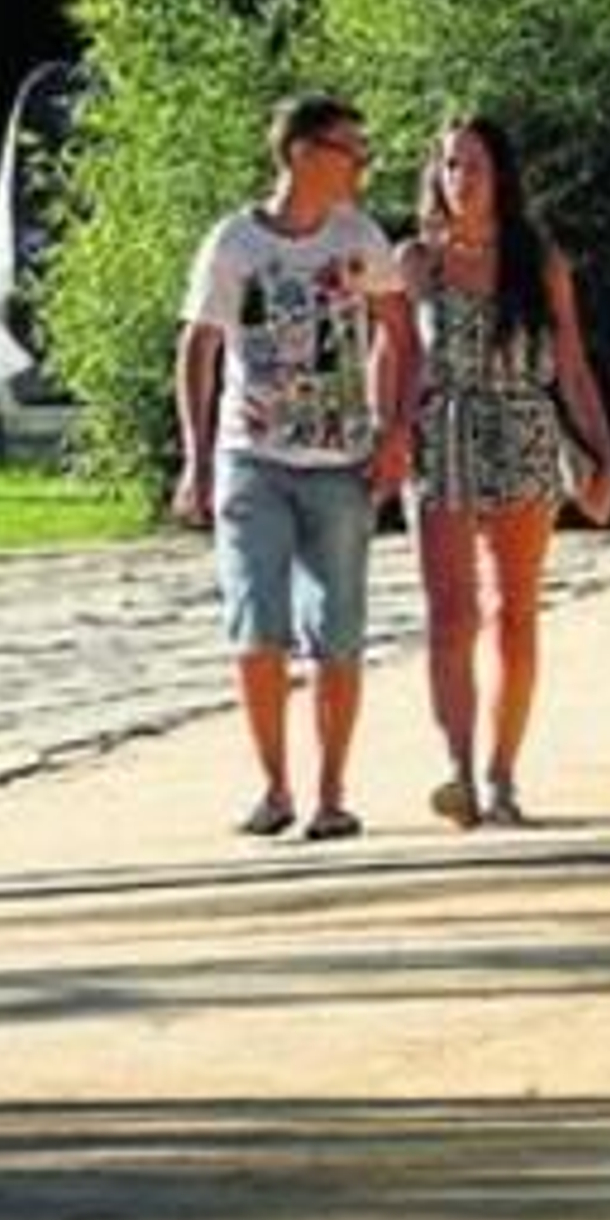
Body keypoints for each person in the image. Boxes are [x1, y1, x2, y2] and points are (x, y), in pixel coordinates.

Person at [174, 93, 409, 841]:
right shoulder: (234, 242)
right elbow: (199, 347)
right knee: (257, 624)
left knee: (337, 630)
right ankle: (275, 787)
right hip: (251, 460)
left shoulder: (359, 236)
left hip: (342, 462)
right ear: (303, 152)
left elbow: (400, 330)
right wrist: (195, 459)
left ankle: (331, 793)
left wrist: (396, 429)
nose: (363, 164)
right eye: (351, 150)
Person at [399, 115, 610, 829]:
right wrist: (390, 432)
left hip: (522, 427)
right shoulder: (416, 261)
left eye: (474, 166)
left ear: (501, 177)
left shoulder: (537, 260)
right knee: (450, 614)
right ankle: (457, 769)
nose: (460, 180)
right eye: (449, 165)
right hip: (443, 435)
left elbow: (573, 365)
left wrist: (602, 454)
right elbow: (395, 357)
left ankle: (502, 775)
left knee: (514, 612)